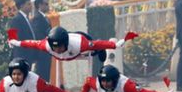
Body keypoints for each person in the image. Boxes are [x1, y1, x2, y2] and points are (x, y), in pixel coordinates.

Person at [8, 26, 137, 61]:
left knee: (94, 50)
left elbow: (98, 43)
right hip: (70, 52)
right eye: (55, 47)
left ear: (65, 43)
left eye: (60, 47)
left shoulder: (81, 43)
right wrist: (15, 42)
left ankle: (98, 53)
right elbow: (30, 43)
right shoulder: (46, 45)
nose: (57, 50)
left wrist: (116, 44)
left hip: (81, 40)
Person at [30, 0, 52, 82]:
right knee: (41, 74)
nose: (48, 6)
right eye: (46, 4)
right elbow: (38, 35)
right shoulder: (37, 18)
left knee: (46, 74)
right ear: (40, 5)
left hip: (47, 51)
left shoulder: (44, 18)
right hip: (41, 52)